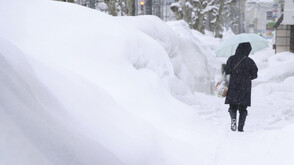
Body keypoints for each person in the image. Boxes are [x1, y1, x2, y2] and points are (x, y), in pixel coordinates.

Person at [224, 42, 258, 132]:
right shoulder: (250, 61)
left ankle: (233, 120)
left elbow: (226, 70)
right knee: (243, 108)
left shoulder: (231, 59)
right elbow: (255, 75)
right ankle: (240, 127)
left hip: (233, 85)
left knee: (233, 105)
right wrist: (247, 76)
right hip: (245, 87)